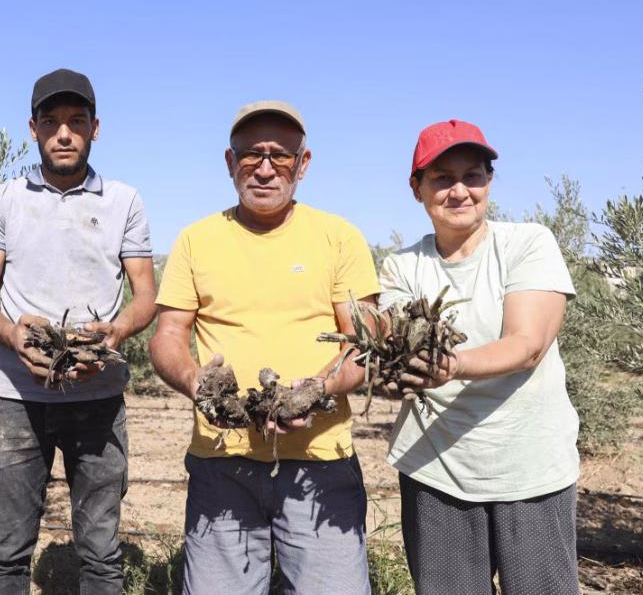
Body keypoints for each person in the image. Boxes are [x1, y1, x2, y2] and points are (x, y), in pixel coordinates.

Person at [150, 101, 379, 595]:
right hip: (221, 459)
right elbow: (168, 336)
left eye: (281, 155)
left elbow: (366, 342)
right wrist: (196, 381)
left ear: (304, 163)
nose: (266, 167)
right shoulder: (196, 239)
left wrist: (319, 390)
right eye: (251, 155)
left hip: (320, 463)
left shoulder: (338, 238)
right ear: (230, 163)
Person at [0, 68, 157, 594]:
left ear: (96, 128)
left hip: (98, 398)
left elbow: (146, 297)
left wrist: (114, 333)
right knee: (8, 551)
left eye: (76, 121)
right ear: (33, 129)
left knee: (100, 552)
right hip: (16, 399)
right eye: (51, 122)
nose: (64, 133)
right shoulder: (1, 200)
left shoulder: (124, 201)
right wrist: (13, 336)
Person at [379, 119, 580, 594]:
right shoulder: (401, 267)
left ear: (489, 181)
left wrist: (451, 366)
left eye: (473, 176)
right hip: (436, 472)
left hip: (530, 470)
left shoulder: (528, 243)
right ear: (417, 189)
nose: (460, 191)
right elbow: (394, 348)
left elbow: (528, 344)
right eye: (442, 178)